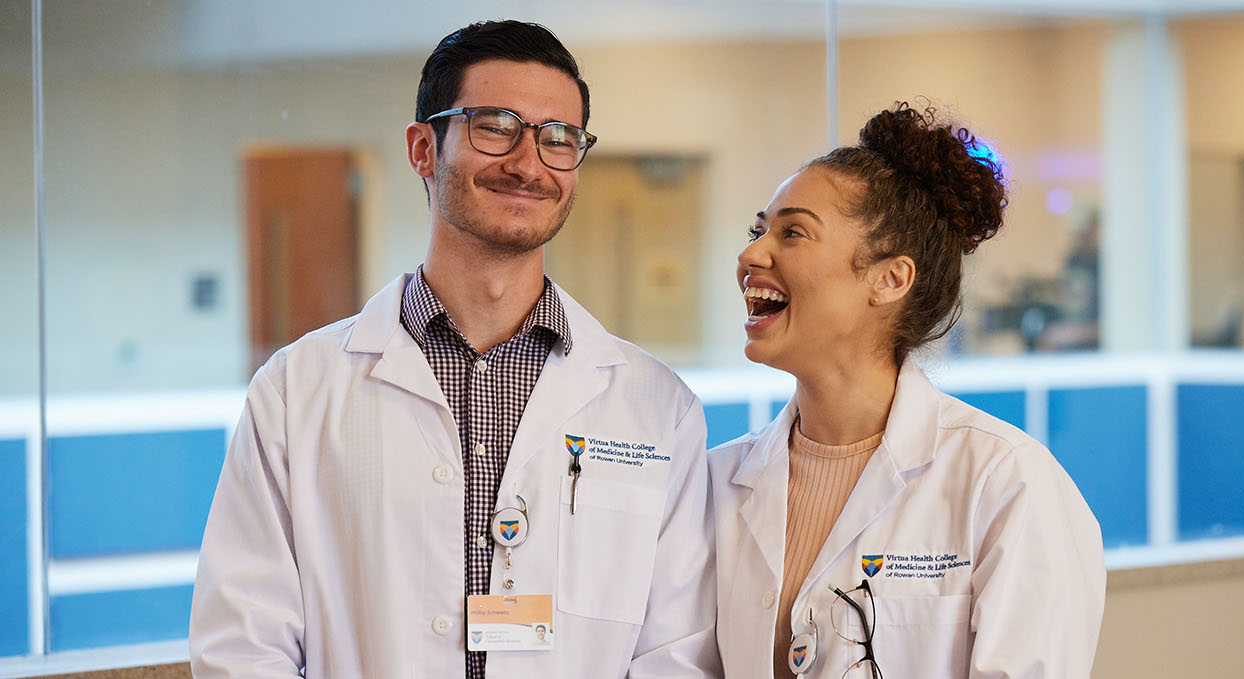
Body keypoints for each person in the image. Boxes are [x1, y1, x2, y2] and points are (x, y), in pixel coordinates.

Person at [190, 20, 718, 679]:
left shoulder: (659, 407)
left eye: (559, 138)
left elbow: (678, 654)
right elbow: (242, 647)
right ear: (422, 148)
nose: (529, 164)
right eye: (495, 126)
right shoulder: (296, 390)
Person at [709, 102, 1105, 678]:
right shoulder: (716, 484)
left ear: (890, 278)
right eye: (758, 230)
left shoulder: (1005, 482)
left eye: (792, 232)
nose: (751, 255)